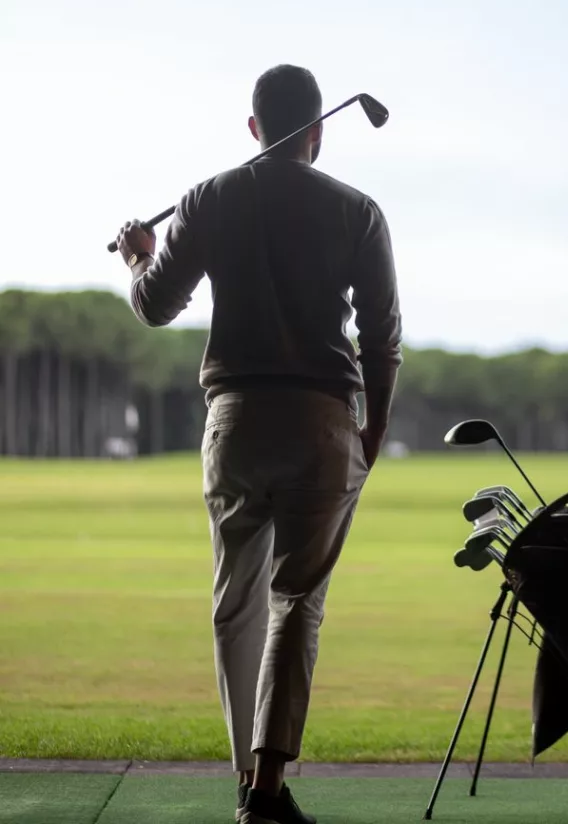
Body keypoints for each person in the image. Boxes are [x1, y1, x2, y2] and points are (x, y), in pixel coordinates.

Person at [115, 64, 403, 824]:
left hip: (236, 419)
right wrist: (371, 431)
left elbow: (153, 305)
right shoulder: (359, 210)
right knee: (296, 603)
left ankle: (247, 777)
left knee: (234, 606)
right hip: (323, 419)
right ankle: (267, 790)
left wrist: (138, 252)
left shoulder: (212, 195)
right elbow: (383, 338)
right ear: (317, 131)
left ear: (254, 129)